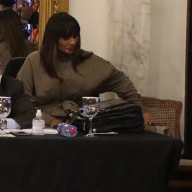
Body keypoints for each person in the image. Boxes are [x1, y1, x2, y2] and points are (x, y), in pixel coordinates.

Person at [16, 12, 145, 125]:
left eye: (75, 36)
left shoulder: (89, 61)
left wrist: (141, 111)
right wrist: (51, 121)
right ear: (53, 39)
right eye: (66, 38)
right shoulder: (34, 62)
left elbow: (121, 81)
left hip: (82, 124)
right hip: (42, 126)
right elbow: (22, 103)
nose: (73, 42)